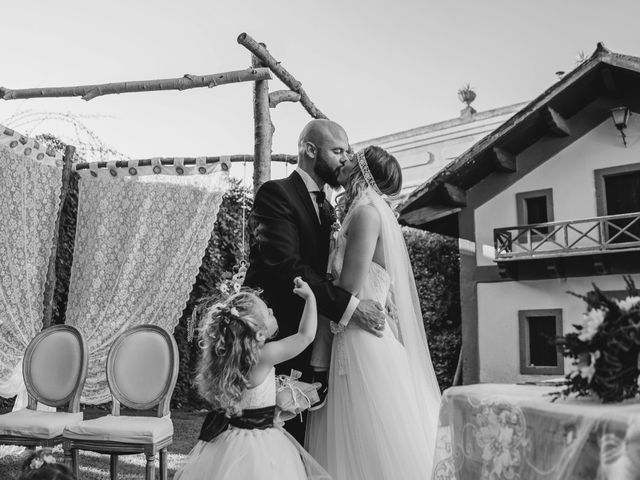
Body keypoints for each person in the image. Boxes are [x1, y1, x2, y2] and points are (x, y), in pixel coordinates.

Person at [245, 119, 387, 442]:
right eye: (338, 151)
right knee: (266, 444)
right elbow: (287, 267)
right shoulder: (276, 194)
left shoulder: (327, 206)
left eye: (348, 152)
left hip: (312, 345)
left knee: (303, 445)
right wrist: (351, 308)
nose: (345, 159)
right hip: (276, 340)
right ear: (310, 149)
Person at [305, 146, 442, 479]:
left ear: (362, 171)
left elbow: (349, 284)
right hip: (350, 332)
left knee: (369, 441)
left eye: (353, 158)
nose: (346, 160)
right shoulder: (360, 211)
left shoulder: (367, 213)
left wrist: (324, 267)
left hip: (362, 340)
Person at [174, 277, 330, 480]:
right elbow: (305, 336)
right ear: (258, 334)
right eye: (269, 313)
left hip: (229, 439)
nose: (273, 313)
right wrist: (311, 298)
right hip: (262, 442)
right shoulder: (263, 356)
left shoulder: (228, 359)